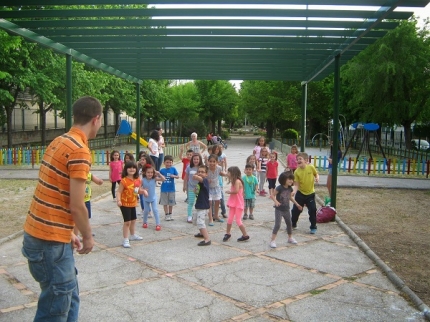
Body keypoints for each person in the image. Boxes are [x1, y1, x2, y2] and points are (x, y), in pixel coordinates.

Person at [22, 96, 102, 321]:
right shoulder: (79, 150)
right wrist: (88, 237)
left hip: (42, 235)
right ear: (96, 119)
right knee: (55, 310)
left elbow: (51, 192)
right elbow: (77, 206)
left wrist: (67, 231)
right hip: (49, 245)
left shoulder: (59, 141)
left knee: (70, 297)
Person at [269, 172, 302, 248]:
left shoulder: (290, 188)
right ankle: (272, 240)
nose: (291, 181)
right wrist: (276, 202)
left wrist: (297, 204)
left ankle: (290, 238)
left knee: (289, 224)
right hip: (279, 210)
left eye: (292, 180)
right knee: (277, 225)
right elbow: (272, 195)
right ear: (284, 179)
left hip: (287, 209)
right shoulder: (279, 188)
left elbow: (290, 197)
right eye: (289, 179)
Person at [116, 161, 144, 248]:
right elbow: (119, 192)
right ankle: (125, 239)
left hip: (133, 203)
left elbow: (137, 191)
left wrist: (143, 191)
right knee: (127, 222)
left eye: (133, 168)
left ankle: (132, 235)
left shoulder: (137, 180)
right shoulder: (123, 181)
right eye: (129, 167)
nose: (132, 169)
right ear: (126, 169)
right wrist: (118, 200)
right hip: (124, 204)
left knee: (133, 220)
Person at [291, 152, 320, 234]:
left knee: (312, 210)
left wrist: (317, 178)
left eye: (300, 159)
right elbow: (296, 185)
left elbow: (316, 174)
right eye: (297, 159)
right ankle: (293, 223)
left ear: (306, 160)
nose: (298, 161)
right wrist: (294, 191)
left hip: (310, 194)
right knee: (296, 210)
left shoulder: (311, 167)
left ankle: (313, 227)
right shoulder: (296, 172)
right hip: (300, 193)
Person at [223, 166, 250, 242]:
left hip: (238, 204)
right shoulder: (233, 181)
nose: (228, 173)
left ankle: (245, 235)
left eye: (229, 172)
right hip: (234, 203)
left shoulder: (237, 181)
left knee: (238, 220)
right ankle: (227, 233)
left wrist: (229, 192)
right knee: (230, 218)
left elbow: (236, 191)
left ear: (233, 173)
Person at [73, 172, 103, 238]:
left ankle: (87, 232)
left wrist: (100, 181)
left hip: (87, 200)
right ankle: (76, 234)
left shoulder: (90, 174)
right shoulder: (78, 174)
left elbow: (97, 181)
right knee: (77, 218)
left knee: (86, 217)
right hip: (79, 201)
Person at [192, 165, 212, 246]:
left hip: (203, 206)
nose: (200, 173)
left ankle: (207, 239)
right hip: (199, 204)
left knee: (200, 222)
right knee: (195, 220)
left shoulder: (205, 180)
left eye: (202, 172)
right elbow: (196, 191)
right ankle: (201, 233)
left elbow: (200, 179)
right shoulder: (199, 183)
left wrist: (196, 176)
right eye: (199, 171)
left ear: (206, 174)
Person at [141, 165, 165, 231]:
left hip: (153, 198)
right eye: (148, 172)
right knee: (146, 211)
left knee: (155, 210)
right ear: (145, 173)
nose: (150, 174)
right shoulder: (143, 180)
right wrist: (143, 190)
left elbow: (163, 179)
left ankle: (158, 224)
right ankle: (145, 222)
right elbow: (139, 188)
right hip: (146, 199)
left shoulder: (154, 179)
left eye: (151, 172)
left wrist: (159, 173)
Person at [183, 153, 204, 223]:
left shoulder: (202, 167)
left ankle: (199, 215)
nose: (196, 160)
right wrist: (184, 186)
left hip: (200, 188)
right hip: (191, 188)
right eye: (194, 159)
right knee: (191, 202)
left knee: (199, 203)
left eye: (197, 159)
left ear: (200, 160)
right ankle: (189, 216)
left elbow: (205, 176)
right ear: (192, 160)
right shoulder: (189, 167)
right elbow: (186, 177)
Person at [206, 154, 226, 226]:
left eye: (214, 161)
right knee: (210, 202)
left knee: (218, 201)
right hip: (208, 188)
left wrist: (227, 174)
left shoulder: (219, 168)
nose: (212, 163)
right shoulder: (206, 169)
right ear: (208, 162)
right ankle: (211, 218)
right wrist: (206, 180)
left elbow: (221, 173)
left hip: (216, 187)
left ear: (217, 162)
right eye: (210, 161)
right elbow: (202, 175)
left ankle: (216, 216)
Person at [159, 155, 179, 221]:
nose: (169, 164)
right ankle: (166, 214)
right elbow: (158, 177)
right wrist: (160, 178)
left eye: (170, 162)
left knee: (171, 202)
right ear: (164, 163)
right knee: (165, 203)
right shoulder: (162, 170)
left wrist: (174, 176)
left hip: (171, 189)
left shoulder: (173, 169)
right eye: (167, 162)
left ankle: (170, 214)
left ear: (172, 163)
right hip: (164, 189)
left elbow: (178, 176)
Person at [137, 152, 155, 218]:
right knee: (142, 199)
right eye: (141, 159)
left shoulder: (149, 169)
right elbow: (138, 177)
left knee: (146, 199)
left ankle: (149, 212)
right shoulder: (140, 169)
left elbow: (152, 177)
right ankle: (144, 210)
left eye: (143, 160)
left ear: (147, 160)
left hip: (146, 186)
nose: (141, 161)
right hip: (141, 185)